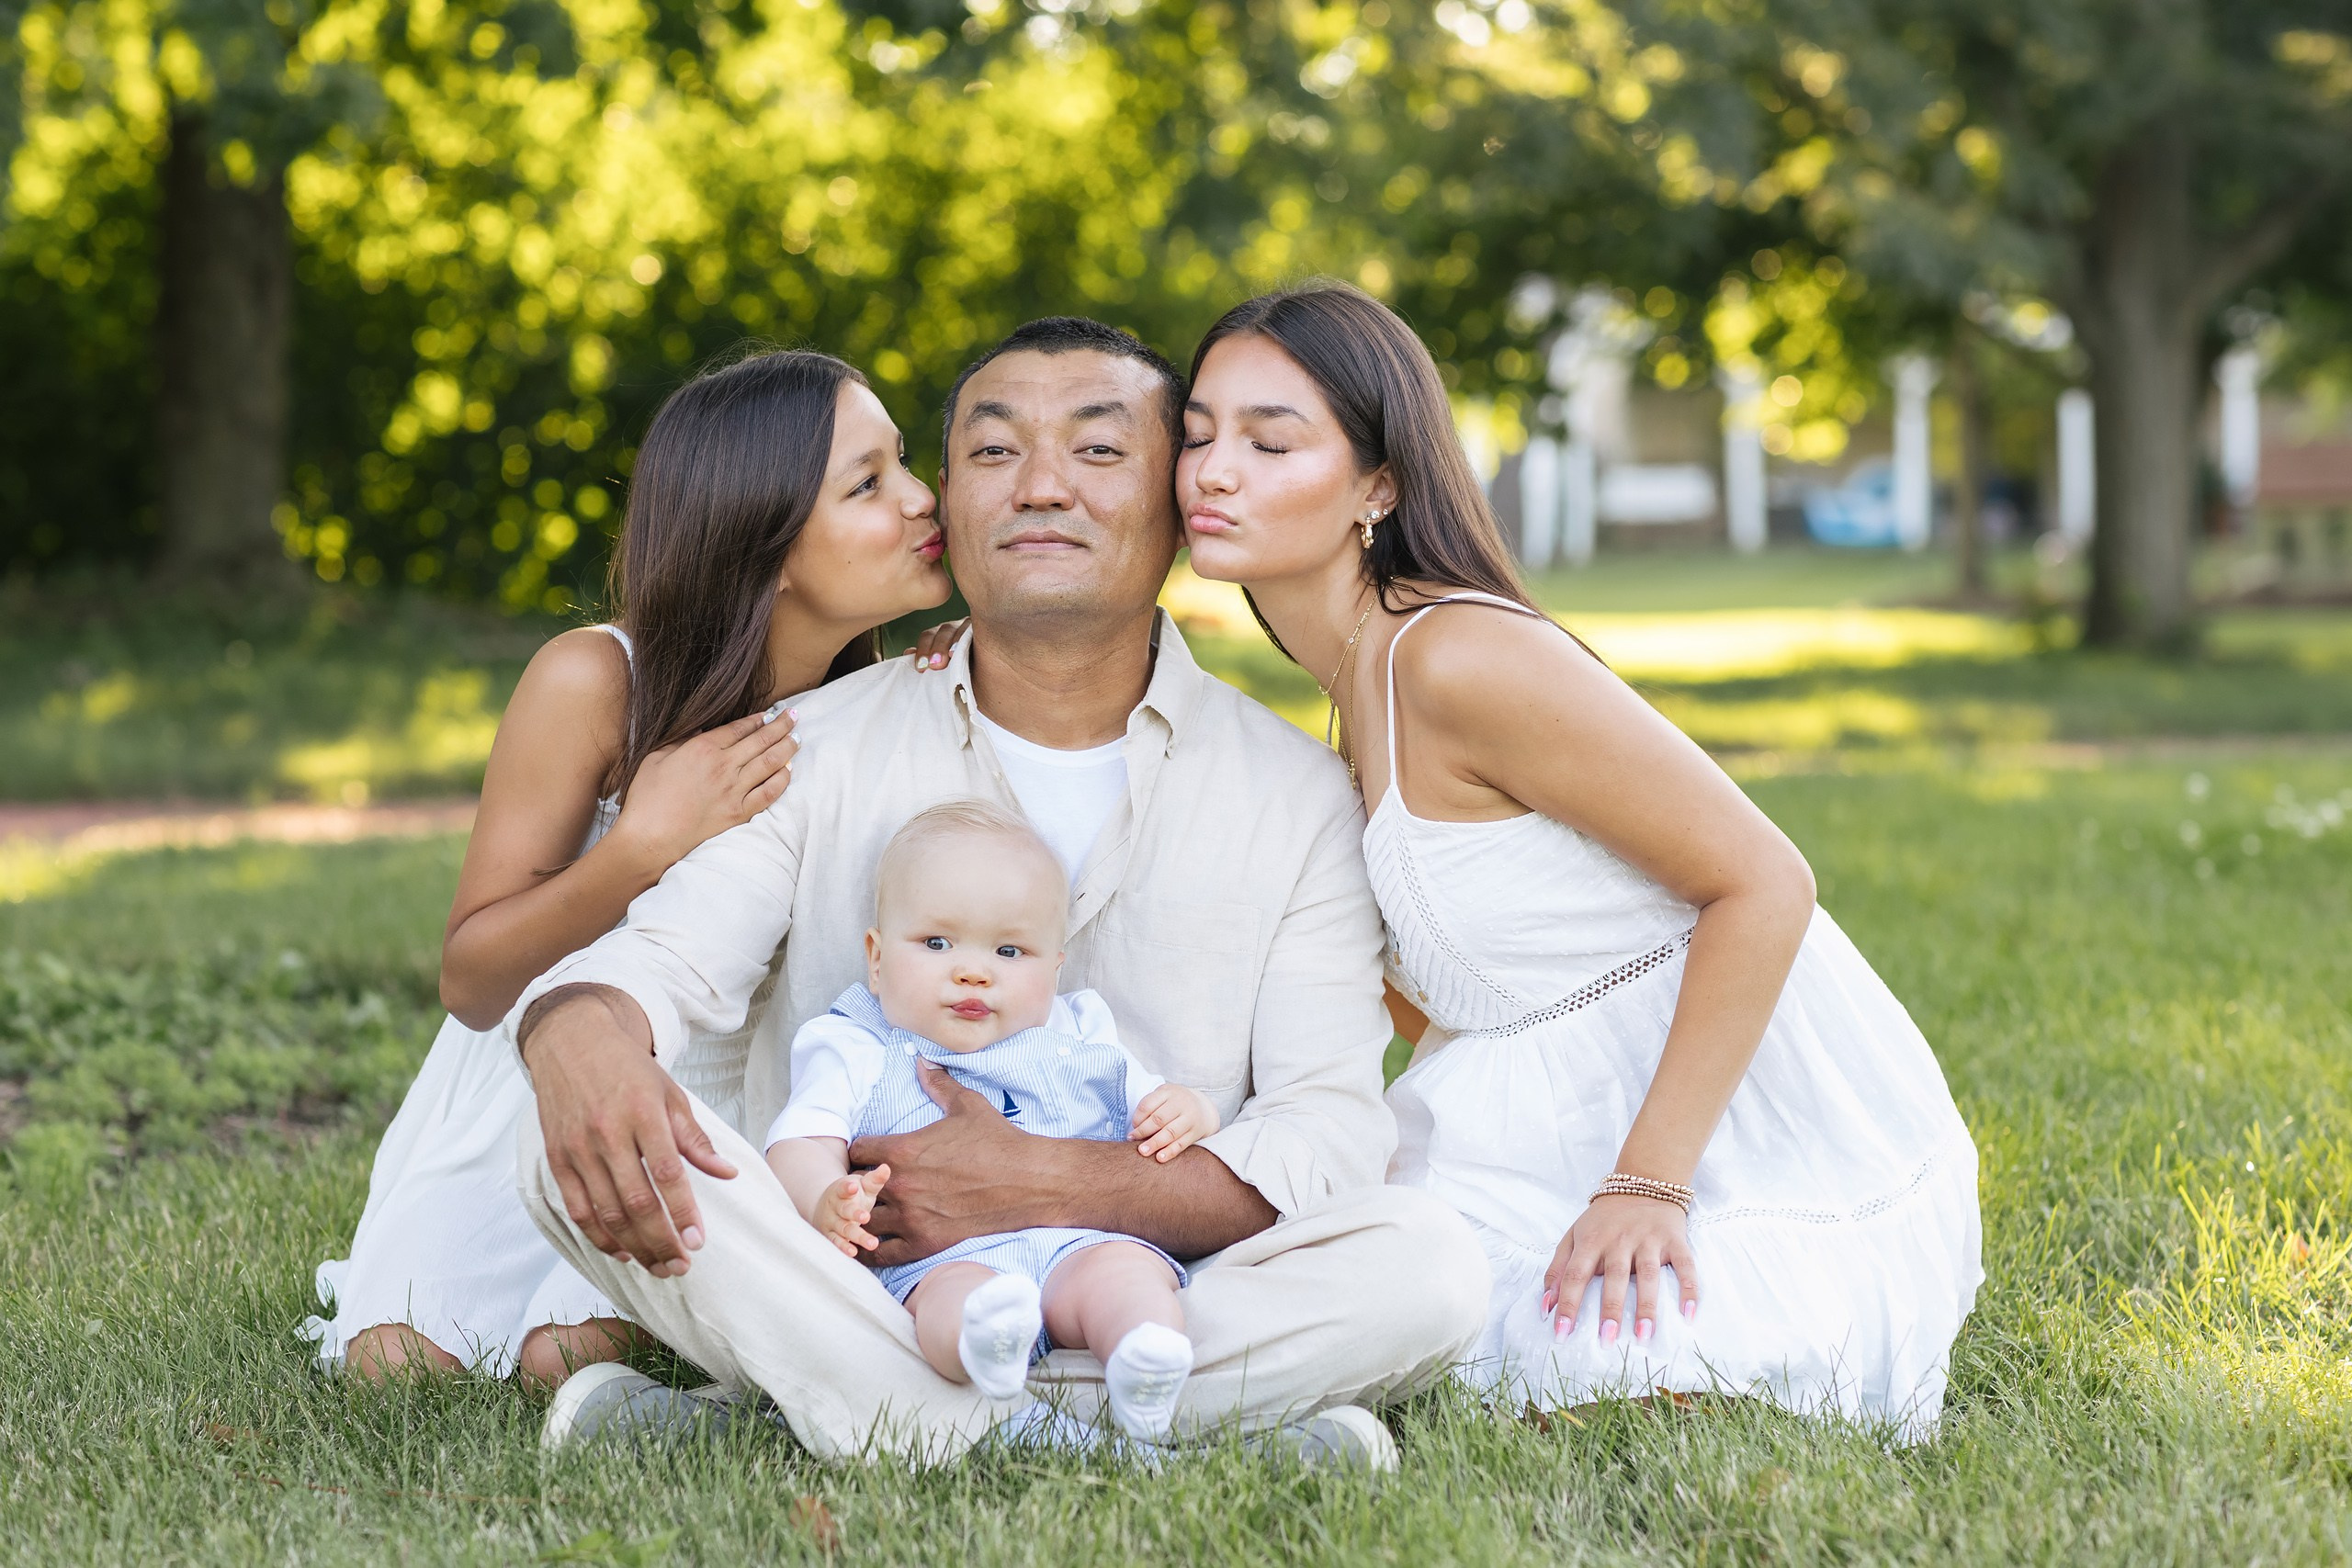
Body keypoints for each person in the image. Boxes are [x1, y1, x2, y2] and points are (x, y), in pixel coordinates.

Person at [511, 316, 1487, 1466]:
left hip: (1146, 1288)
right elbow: (662, 964)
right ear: (947, 499)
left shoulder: (1294, 792)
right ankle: (1112, 1440)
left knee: (1428, 1261)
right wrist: (574, 1030)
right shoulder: (802, 751)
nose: (1038, 488)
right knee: (567, 1132)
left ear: (1175, 498)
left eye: (1098, 451)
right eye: (991, 452)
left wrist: (1049, 1183)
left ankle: (860, 1418)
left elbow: (1325, 1124)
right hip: (863, 1275)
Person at [1177, 283, 1983, 1441]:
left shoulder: (1454, 655)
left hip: (1736, 1130)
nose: (1213, 469)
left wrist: (1646, 1187)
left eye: (1270, 439)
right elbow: (1441, 985)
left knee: (1547, 1370)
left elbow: (1765, 884)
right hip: (1521, 1108)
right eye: (1198, 433)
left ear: (1379, 484)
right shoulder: (1351, 693)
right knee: (1299, 1282)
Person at [301, 349, 953, 1388]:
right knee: (396, 1362)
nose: (928, 499)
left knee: (567, 1359)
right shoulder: (596, 680)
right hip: (542, 1068)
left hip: (740, 1086)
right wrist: (644, 844)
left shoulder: (902, 698)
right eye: (870, 483)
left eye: (905, 463)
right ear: (767, 540)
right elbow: (472, 980)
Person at [767, 799, 1216, 1440]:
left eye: (1009, 949)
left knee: (1125, 1276)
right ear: (876, 956)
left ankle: (1144, 1357)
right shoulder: (855, 1043)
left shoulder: (1081, 1028)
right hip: (945, 1253)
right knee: (952, 1298)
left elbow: (1153, 1109)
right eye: (937, 942)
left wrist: (1191, 1110)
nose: (973, 969)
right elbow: (800, 1139)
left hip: (1078, 1239)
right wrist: (823, 1197)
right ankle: (986, 1345)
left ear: (1054, 969)